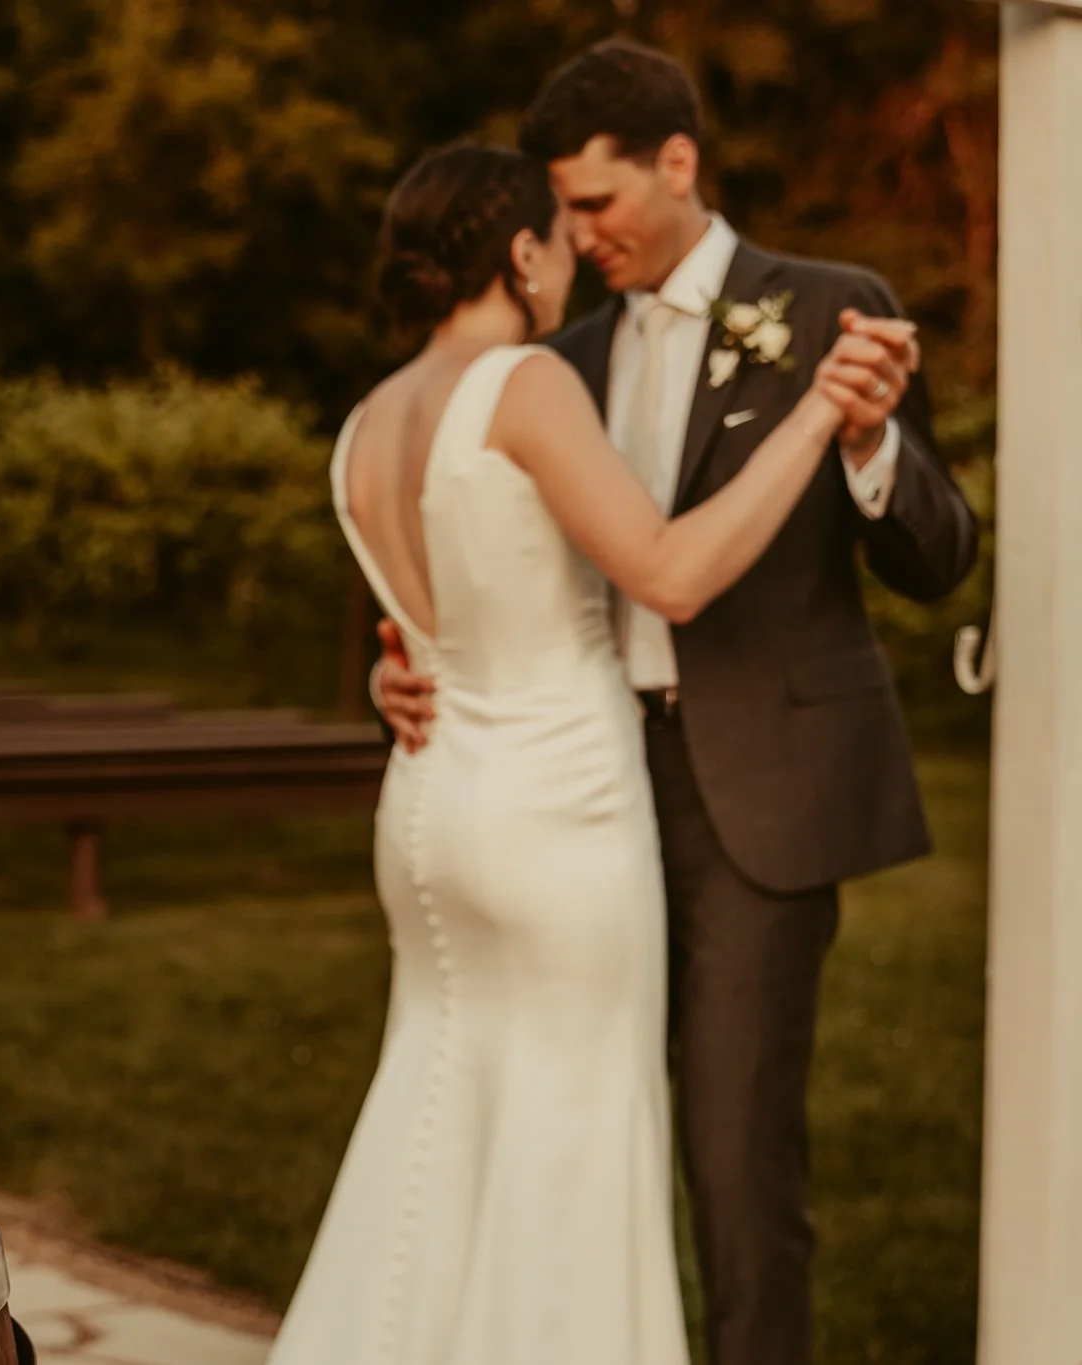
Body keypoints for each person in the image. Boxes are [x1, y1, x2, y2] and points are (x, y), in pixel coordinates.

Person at [363, 41, 978, 1365]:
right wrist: (402, 665)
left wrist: (867, 443)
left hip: (757, 789)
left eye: (598, 205)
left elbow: (937, 556)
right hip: (574, 786)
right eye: (561, 213)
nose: (576, 237)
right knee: (569, 1128)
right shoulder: (552, 358)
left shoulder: (831, 310)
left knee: (737, 1153)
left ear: (678, 162)